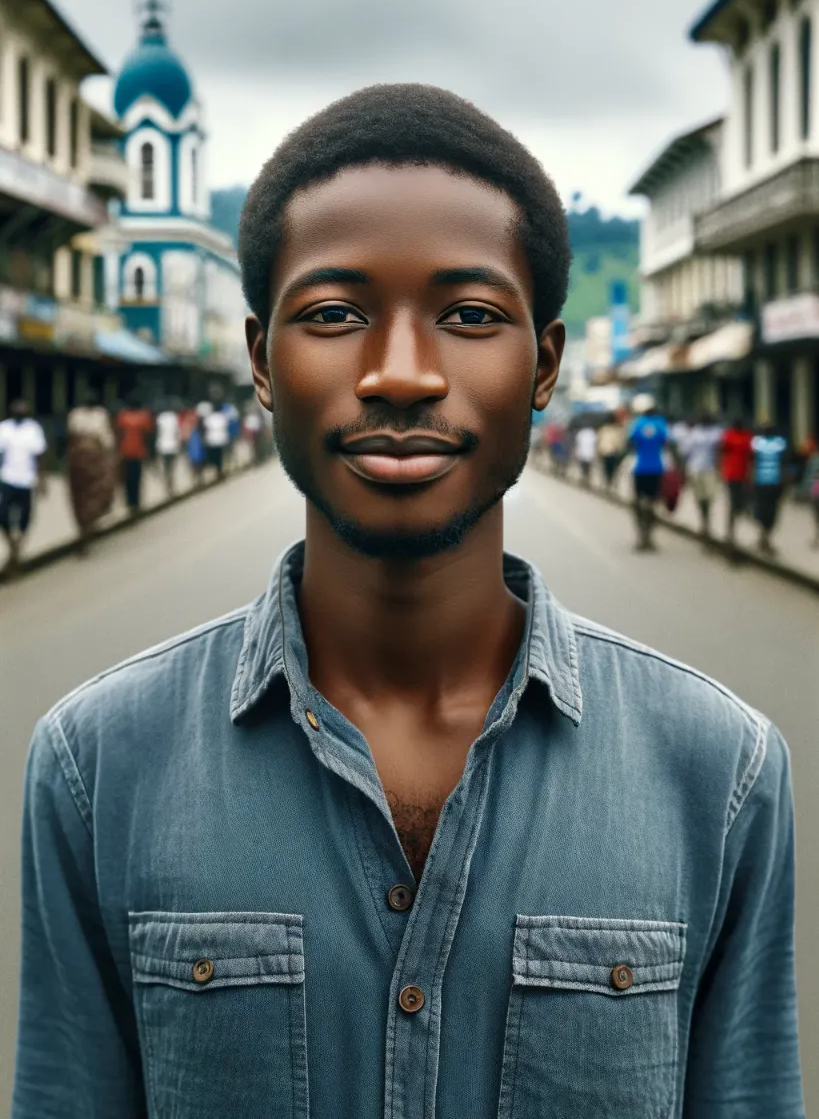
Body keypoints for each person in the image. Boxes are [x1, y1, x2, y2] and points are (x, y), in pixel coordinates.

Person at [13, 85, 803, 1118]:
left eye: (470, 315)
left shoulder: (723, 774)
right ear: (261, 360)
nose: (398, 374)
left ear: (545, 364)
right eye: (334, 314)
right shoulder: (95, 767)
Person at [65, 391, 117, 553]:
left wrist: (109, 458)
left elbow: (107, 439)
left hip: (96, 461)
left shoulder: (101, 415)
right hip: (79, 462)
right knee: (79, 498)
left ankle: (87, 529)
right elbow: (71, 436)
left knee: (99, 493)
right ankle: (83, 531)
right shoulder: (75, 415)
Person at [0, 399, 47, 577]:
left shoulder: (33, 429)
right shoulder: (4, 428)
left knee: (24, 519)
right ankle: (14, 549)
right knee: (3, 516)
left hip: (26, 480)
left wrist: (42, 480)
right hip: (7, 478)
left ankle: (15, 554)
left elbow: (39, 456)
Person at [627, 399, 668, 551]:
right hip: (656, 468)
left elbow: (630, 443)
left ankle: (641, 537)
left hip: (640, 469)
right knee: (652, 504)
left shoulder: (637, 423)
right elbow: (665, 442)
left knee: (637, 503)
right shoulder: (660, 424)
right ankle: (649, 537)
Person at [682, 413, 724, 545]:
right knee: (702, 498)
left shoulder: (716, 433)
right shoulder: (695, 434)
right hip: (697, 470)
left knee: (708, 497)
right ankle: (704, 522)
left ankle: (706, 522)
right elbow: (686, 453)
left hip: (709, 470)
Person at [752, 422, 789, 556]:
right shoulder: (779, 443)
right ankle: (766, 537)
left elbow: (752, 462)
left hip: (762, 482)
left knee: (763, 510)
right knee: (771, 511)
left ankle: (764, 537)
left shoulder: (757, 443)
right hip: (773, 483)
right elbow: (784, 464)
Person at [115, 393, 154, 515]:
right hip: (139, 452)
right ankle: (136, 502)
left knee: (127, 479)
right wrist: (150, 453)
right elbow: (148, 436)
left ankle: (130, 502)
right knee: (136, 478)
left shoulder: (122, 416)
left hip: (125, 451)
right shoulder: (144, 416)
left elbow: (118, 434)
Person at [720, 417, 754, 553]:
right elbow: (722, 452)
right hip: (731, 474)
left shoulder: (747, 437)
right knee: (734, 502)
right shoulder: (729, 436)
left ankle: (733, 527)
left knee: (740, 503)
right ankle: (731, 531)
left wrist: (750, 474)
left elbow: (751, 456)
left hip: (743, 474)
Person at [200, 390, 231, 480]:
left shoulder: (209, 418)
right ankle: (219, 471)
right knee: (220, 456)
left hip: (212, 440)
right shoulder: (222, 417)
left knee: (214, 456)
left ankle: (216, 471)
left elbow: (205, 428)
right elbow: (226, 427)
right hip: (221, 439)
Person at [155, 399, 181, 494]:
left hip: (162, 445)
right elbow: (177, 432)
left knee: (166, 466)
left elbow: (157, 432)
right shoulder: (174, 417)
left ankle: (167, 483)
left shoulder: (160, 418)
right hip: (173, 445)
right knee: (172, 466)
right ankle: (171, 483)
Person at [596, 412, 626, 489]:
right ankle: (609, 483)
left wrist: (599, 450)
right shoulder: (617, 429)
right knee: (611, 469)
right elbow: (620, 441)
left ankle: (608, 483)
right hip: (612, 451)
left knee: (606, 468)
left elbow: (599, 440)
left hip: (605, 451)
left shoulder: (603, 429)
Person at [573, 422, 597, 486]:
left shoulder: (581, 432)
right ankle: (586, 478)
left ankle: (584, 477)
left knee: (583, 466)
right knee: (588, 467)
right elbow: (595, 443)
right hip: (589, 453)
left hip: (583, 452)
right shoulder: (593, 433)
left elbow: (577, 442)